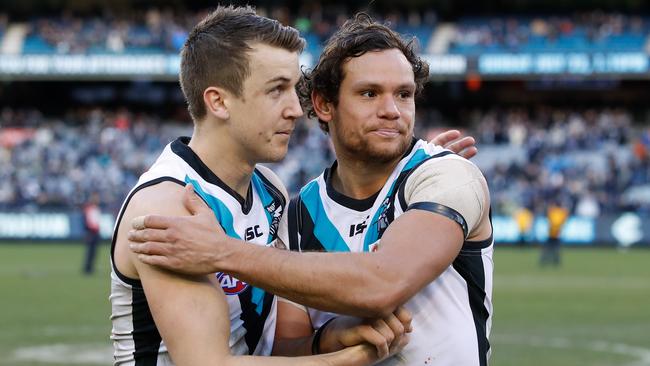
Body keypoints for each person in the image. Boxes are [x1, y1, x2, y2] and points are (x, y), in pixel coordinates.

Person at [129, 13, 492, 366]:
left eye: (404, 94)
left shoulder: (447, 177)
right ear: (323, 104)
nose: (392, 111)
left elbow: (385, 282)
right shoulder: (298, 210)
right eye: (369, 94)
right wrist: (339, 339)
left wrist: (222, 252)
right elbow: (284, 349)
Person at [540, 200, 569, 267]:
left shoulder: (553, 211)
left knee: (547, 248)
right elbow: (564, 220)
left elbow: (549, 217)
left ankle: (544, 260)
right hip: (557, 233)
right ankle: (556, 261)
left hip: (551, 232)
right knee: (556, 248)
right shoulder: (562, 212)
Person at [82, 192, 101, 275]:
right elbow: (87, 221)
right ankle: (87, 268)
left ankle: (90, 267)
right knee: (90, 251)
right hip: (91, 232)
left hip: (95, 232)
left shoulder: (96, 208)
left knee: (93, 251)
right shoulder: (89, 208)